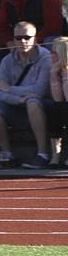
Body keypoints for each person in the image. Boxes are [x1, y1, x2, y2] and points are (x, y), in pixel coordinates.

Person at [0, 21, 53, 169]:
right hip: (18, 105)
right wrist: (19, 99)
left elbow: (40, 90)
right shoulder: (7, 60)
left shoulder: (46, 58)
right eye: (18, 37)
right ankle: (7, 154)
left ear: (35, 39)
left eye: (27, 37)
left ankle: (42, 154)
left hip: (43, 108)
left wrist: (10, 88)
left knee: (33, 101)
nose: (22, 41)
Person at [48, 37, 68, 168]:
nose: (50, 54)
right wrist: (54, 76)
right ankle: (56, 155)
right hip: (64, 105)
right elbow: (58, 100)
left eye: (54, 52)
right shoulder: (56, 70)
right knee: (55, 110)